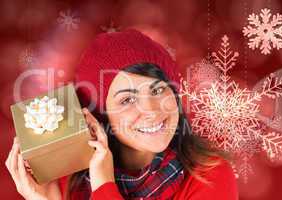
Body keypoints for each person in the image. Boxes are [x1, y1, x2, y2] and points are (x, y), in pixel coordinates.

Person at [5, 29, 238, 200]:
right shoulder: (69, 181)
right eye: (128, 99)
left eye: (157, 89)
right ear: (101, 117)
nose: (152, 110)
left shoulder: (210, 175)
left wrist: (104, 185)